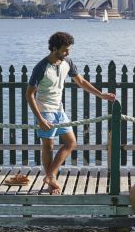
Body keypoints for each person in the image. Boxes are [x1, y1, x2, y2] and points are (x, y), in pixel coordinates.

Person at [26, 32, 116, 194]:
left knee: (71, 142)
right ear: (54, 49)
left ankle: (50, 176)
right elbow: (29, 94)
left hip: (59, 110)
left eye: (69, 49)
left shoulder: (67, 62)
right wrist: (39, 119)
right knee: (48, 146)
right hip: (44, 110)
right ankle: (51, 183)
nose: (68, 52)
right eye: (65, 49)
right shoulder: (41, 68)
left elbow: (81, 82)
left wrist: (101, 95)